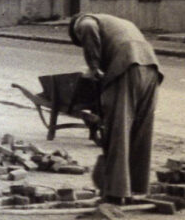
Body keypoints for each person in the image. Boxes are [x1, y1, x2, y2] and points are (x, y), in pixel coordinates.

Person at [68, 13, 163, 206]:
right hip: (151, 68)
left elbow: (87, 28)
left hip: (127, 67)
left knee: (118, 129)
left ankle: (115, 192)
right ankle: (135, 188)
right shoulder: (119, 22)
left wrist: (93, 67)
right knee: (140, 130)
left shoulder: (85, 21)